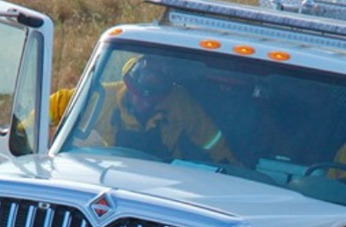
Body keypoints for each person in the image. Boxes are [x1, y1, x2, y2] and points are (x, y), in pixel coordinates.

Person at [50, 54, 235, 163]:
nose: (145, 103)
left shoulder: (180, 103)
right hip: (112, 172)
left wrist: (232, 169)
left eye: (152, 100)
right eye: (139, 96)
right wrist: (23, 136)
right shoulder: (101, 98)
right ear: (128, 86)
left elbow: (213, 141)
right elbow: (52, 107)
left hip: (166, 180)